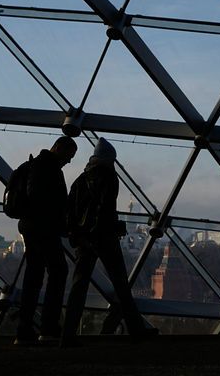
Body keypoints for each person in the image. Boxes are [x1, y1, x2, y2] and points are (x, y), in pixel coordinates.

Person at [61, 137, 154, 346]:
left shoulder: (80, 179)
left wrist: (78, 235)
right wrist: (113, 228)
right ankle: (137, 330)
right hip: (105, 239)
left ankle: (67, 334)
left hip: (84, 240)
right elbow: (105, 210)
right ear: (109, 159)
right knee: (121, 285)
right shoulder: (109, 176)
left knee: (79, 286)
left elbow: (70, 211)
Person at [14, 135, 77, 345]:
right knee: (58, 271)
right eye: (69, 155)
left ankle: (24, 329)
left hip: (32, 227)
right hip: (43, 228)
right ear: (58, 147)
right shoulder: (46, 167)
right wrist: (59, 221)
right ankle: (48, 328)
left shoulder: (35, 165)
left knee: (34, 275)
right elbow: (40, 198)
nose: (68, 161)